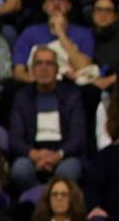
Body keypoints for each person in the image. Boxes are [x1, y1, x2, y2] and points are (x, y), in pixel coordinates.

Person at [7, 46, 87, 190]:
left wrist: (57, 155)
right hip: (33, 152)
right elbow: (15, 139)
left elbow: (78, 138)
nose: (44, 68)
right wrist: (34, 154)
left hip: (64, 153)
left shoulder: (72, 96)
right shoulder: (22, 97)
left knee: (68, 171)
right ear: (32, 69)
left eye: (49, 64)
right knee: (20, 170)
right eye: (39, 63)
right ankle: (38, 197)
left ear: (57, 69)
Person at [11, 0, 95, 85]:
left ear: (69, 6)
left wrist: (61, 33)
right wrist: (42, 82)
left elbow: (85, 68)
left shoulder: (84, 34)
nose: (56, 3)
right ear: (44, 6)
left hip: (71, 85)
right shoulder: (29, 33)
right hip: (36, 85)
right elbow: (18, 72)